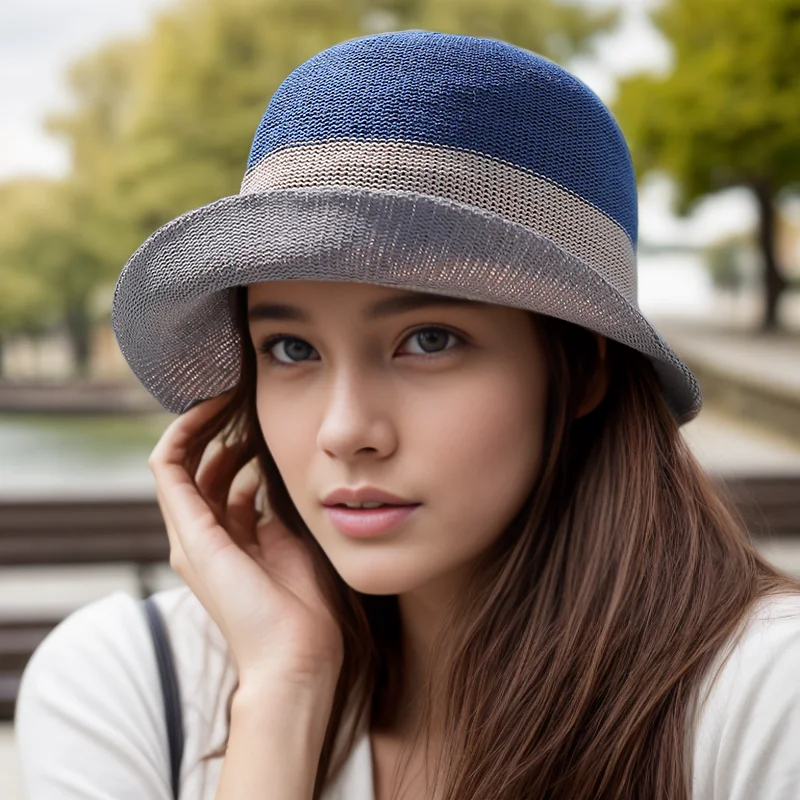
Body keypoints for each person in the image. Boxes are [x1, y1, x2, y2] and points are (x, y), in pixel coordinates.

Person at [14, 29, 800, 800]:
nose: (344, 430)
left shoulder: (764, 702)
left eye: (429, 340)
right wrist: (282, 698)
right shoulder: (132, 687)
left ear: (584, 368)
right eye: (290, 349)